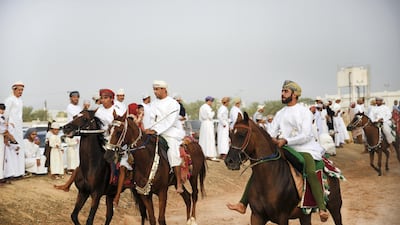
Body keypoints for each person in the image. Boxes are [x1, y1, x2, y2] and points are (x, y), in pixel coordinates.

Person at [227, 80, 329, 222]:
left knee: (310, 168)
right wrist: (271, 140)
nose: (282, 94)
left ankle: (321, 207)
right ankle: (243, 203)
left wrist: (286, 140)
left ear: (294, 94)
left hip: (304, 148)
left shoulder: (305, 112)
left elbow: (306, 135)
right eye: (282, 91)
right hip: (283, 147)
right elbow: (271, 132)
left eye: (285, 91)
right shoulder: (280, 113)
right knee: (260, 166)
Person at [54, 89, 117, 191]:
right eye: (102, 98)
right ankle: (67, 185)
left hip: (111, 141)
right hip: (98, 139)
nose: (103, 100)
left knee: (112, 160)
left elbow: (117, 127)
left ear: (111, 99)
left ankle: (113, 183)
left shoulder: (115, 110)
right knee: (84, 162)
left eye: (105, 98)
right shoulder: (98, 110)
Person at [145, 80, 185, 193]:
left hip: (170, 132)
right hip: (154, 131)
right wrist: (149, 129)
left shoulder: (173, 104)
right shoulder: (153, 104)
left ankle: (178, 182)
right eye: (154, 89)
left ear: (164, 89)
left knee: (173, 152)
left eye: (157, 89)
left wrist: (156, 130)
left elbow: (170, 122)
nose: (155, 92)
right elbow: (151, 119)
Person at [114, 102, 144, 206]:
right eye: (137, 109)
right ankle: (117, 194)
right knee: (123, 166)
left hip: (135, 146)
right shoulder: (131, 119)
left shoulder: (132, 119)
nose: (139, 111)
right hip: (129, 147)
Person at [3, 81, 25, 179]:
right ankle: (10, 173)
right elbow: (5, 114)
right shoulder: (9, 100)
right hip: (11, 127)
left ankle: (19, 172)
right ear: (14, 89)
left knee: (19, 148)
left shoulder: (20, 100)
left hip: (19, 127)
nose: (21, 92)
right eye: (19, 90)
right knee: (11, 148)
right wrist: (6, 127)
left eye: (22, 90)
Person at [65, 91, 82, 174]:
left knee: (79, 151)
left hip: (79, 131)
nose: (76, 98)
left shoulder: (79, 107)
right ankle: (71, 169)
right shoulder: (69, 107)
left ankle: (78, 168)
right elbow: (77, 117)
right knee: (72, 152)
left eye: (77, 97)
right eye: (74, 97)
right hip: (72, 132)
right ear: (70, 98)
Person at [199, 96, 218, 161]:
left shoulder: (202, 107)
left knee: (204, 139)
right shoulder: (207, 107)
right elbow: (210, 116)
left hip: (203, 124)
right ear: (209, 101)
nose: (212, 103)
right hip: (208, 123)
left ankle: (204, 153)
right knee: (209, 139)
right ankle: (210, 155)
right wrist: (213, 112)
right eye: (211, 101)